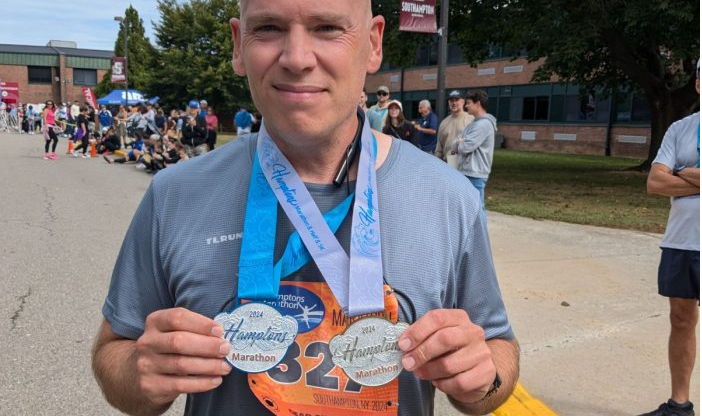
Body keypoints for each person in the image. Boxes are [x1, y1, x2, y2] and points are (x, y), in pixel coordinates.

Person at [91, 3, 519, 416]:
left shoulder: (448, 195)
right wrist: (137, 374)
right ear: (239, 45)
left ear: (373, 43)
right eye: (269, 28)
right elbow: (116, 356)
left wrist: (483, 380)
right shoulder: (175, 193)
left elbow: (497, 351)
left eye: (327, 28)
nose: (296, 58)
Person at [639, 60, 700, 416]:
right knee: (680, 320)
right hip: (682, 242)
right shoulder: (680, 128)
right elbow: (655, 182)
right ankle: (680, 406)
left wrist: (686, 172)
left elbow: (670, 177)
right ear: (697, 84)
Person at [450, 90, 497, 208]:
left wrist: (461, 142)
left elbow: (466, 147)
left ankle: (481, 228)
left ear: (478, 103)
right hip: (465, 172)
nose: (466, 106)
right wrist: (459, 142)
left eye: (469, 103)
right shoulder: (473, 124)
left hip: (475, 175)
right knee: (467, 209)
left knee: (477, 211)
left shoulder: (484, 125)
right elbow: (453, 144)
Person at [435, 90, 474, 162]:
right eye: (451, 100)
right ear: (448, 103)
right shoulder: (444, 123)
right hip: (447, 163)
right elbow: (439, 149)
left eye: (456, 100)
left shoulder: (471, 120)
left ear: (463, 102)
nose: (454, 103)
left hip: (465, 163)